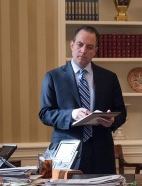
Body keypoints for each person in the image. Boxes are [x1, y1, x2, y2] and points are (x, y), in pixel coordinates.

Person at [39, 25, 127, 174]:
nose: (83, 51)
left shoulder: (109, 78)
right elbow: (45, 114)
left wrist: (112, 121)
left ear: (95, 51)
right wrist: (71, 114)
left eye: (90, 47)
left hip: (102, 154)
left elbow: (121, 112)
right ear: (72, 45)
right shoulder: (54, 77)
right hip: (66, 154)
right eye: (80, 45)